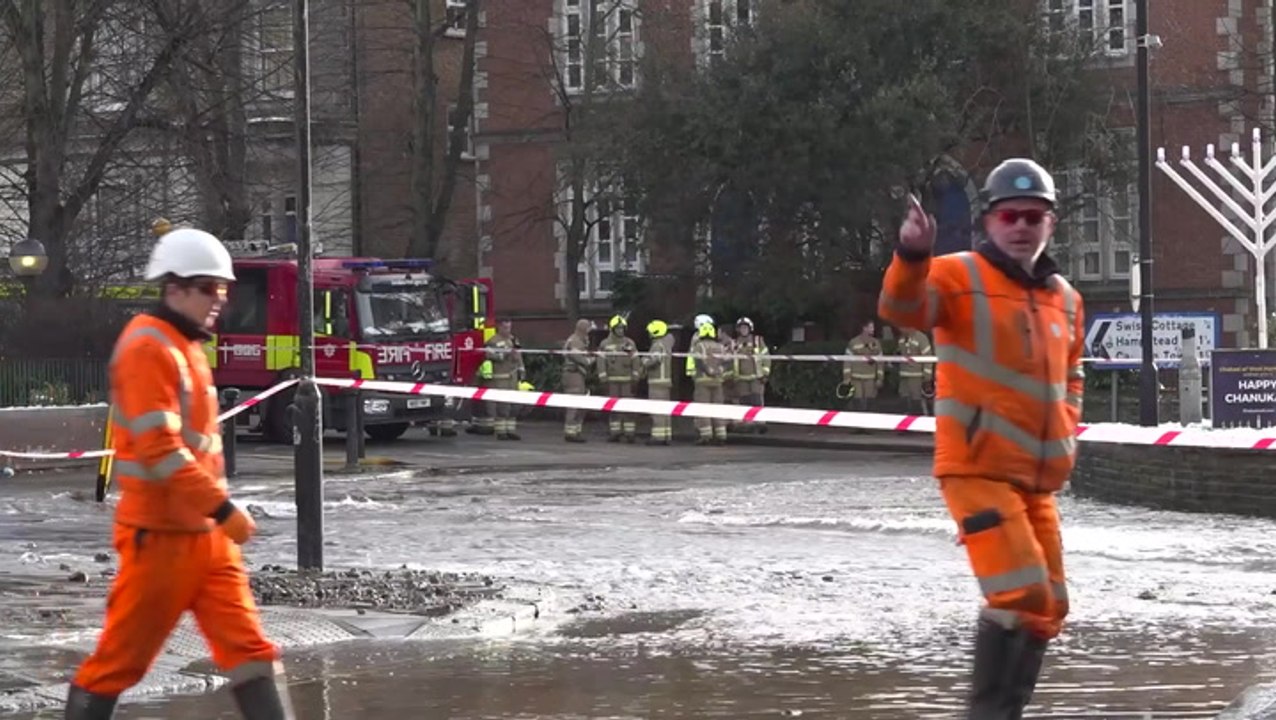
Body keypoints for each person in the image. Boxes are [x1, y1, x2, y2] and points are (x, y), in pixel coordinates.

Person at [878, 158, 1085, 718]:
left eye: (1034, 216)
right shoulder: (955, 275)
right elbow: (901, 308)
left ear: (1051, 223)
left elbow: (1072, 373)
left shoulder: (1065, 298)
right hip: (975, 468)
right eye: (1010, 215)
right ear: (989, 222)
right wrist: (913, 253)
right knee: (1021, 594)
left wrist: (1067, 426)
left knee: (1050, 608)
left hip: (1037, 478)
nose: (1021, 226)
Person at [66, 227, 295, 720]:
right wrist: (222, 507)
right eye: (210, 288)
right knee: (118, 664)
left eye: (224, 289)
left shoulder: (183, 344)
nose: (221, 299)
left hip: (205, 539)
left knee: (251, 653)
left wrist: (217, 516)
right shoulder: (149, 347)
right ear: (175, 288)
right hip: (162, 540)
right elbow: (159, 449)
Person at [597, 315, 639, 442]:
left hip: (627, 380)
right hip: (612, 380)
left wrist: (636, 375)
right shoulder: (605, 344)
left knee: (628, 407)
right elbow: (600, 361)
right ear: (613, 329)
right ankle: (615, 432)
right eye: (618, 328)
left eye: (622, 328)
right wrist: (603, 376)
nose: (621, 330)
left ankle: (629, 433)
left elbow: (636, 360)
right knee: (613, 407)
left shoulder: (629, 343)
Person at [685, 320, 728, 445]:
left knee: (703, 409)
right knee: (718, 408)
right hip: (717, 381)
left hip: (702, 381)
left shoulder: (699, 346)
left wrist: (708, 370)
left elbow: (698, 362)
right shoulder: (720, 346)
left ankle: (706, 436)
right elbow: (727, 361)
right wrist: (719, 370)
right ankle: (721, 435)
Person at [484, 318, 523, 440]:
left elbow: (519, 355)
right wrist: (504, 354)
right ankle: (501, 431)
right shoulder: (493, 341)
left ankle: (511, 430)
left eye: (509, 327)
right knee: (503, 405)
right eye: (505, 328)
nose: (508, 330)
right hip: (500, 378)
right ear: (499, 327)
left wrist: (522, 369)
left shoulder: (513, 339)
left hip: (513, 376)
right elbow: (488, 355)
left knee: (514, 405)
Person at [730, 316, 771, 433]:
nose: (743, 330)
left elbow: (766, 357)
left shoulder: (757, 341)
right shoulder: (734, 343)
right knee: (744, 401)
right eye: (741, 328)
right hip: (741, 379)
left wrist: (765, 373)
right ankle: (747, 425)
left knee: (757, 400)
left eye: (745, 328)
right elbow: (729, 360)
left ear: (750, 329)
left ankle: (760, 424)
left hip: (756, 378)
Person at [641, 319, 675, 445]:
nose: (649, 334)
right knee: (665, 410)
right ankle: (666, 435)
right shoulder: (666, 344)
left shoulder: (657, 345)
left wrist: (644, 361)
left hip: (656, 382)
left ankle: (658, 437)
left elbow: (654, 361)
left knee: (657, 410)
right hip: (665, 381)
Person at [562, 318, 595, 442]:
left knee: (580, 404)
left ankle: (575, 431)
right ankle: (571, 433)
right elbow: (579, 358)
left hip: (578, 375)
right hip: (573, 375)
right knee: (574, 404)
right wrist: (592, 360)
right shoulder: (575, 341)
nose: (589, 332)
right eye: (588, 329)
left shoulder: (579, 340)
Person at [842, 320, 883, 411]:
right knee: (857, 402)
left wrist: (880, 378)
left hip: (870, 378)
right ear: (864, 328)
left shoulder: (876, 343)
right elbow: (847, 360)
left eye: (873, 327)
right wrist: (847, 378)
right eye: (871, 327)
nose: (873, 329)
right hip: (856, 378)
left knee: (870, 403)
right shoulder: (853, 342)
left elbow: (880, 362)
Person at [896, 327, 934, 416]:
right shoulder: (901, 339)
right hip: (904, 375)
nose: (901, 329)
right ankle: (905, 423)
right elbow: (900, 353)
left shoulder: (921, 338)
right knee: (903, 398)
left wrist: (927, 376)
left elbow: (928, 357)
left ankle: (919, 423)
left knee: (917, 400)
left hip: (917, 375)